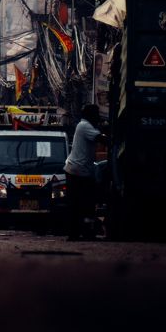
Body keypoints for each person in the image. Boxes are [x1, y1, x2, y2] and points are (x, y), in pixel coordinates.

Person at [64, 103, 107, 241]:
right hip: (79, 171)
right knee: (84, 204)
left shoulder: (84, 126)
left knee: (79, 204)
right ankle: (81, 233)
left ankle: (77, 233)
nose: (98, 117)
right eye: (96, 115)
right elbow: (101, 139)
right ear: (91, 115)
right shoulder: (85, 126)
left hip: (77, 170)